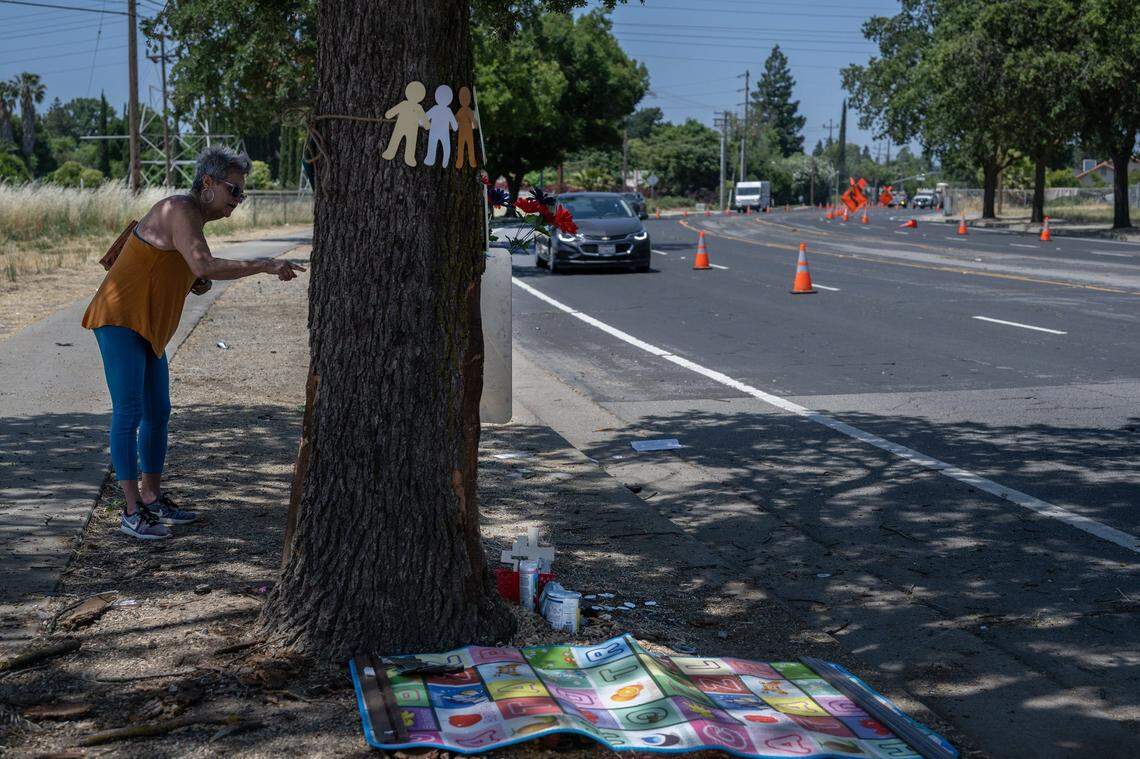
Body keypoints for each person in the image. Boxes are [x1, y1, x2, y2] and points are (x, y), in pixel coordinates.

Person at [82, 146, 305, 540]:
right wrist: (266, 265)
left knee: (159, 412)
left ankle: (151, 497)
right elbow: (204, 265)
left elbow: (192, 271)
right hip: (120, 320)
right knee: (130, 411)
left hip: (149, 327)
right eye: (234, 191)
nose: (238, 201)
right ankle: (131, 512)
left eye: (242, 194)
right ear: (207, 183)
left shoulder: (191, 218)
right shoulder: (180, 210)